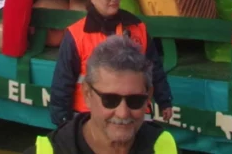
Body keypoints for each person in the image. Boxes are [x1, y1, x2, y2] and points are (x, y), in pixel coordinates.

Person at [50, 0, 172, 127]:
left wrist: (164, 100)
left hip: (133, 113)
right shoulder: (76, 34)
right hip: (90, 116)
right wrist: (61, 119)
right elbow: (63, 79)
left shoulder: (137, 28)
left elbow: (154, 68)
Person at [27, 36, 177, 154]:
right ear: (87, 94)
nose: (123, 113)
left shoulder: (163, 146)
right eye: (110, 100)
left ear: (148, 97)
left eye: (135, 100)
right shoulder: (50, 151)